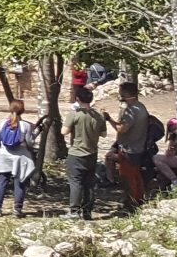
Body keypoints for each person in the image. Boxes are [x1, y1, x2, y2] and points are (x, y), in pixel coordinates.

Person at [110, 81, 155, 209]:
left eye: (121, 93)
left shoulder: (131, 110)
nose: (119, 95)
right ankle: (138, 199)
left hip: (129, 148)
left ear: (125, 93)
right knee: (136, 175)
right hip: (138, 145)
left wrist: (109, 119)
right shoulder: (141, 107)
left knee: (129, 177)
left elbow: (121, 129)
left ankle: (131, 202)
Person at [63, 93, 105, 220]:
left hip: (76, 152)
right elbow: (103, 134)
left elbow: (63, 131)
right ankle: (87, 211)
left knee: (75, 182)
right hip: (92, 153)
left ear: (78, 99)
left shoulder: (74, 114)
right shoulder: (98, 116)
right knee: (89, 183)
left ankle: (74, 211)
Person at [0, 111, 36, 217]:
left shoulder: (1, 123)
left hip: (4, 155)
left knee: (2, 182)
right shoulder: (25, 125)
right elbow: (30, 142)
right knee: (20, 183)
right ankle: (17, 210)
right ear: (22, 111)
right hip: (20, 157)